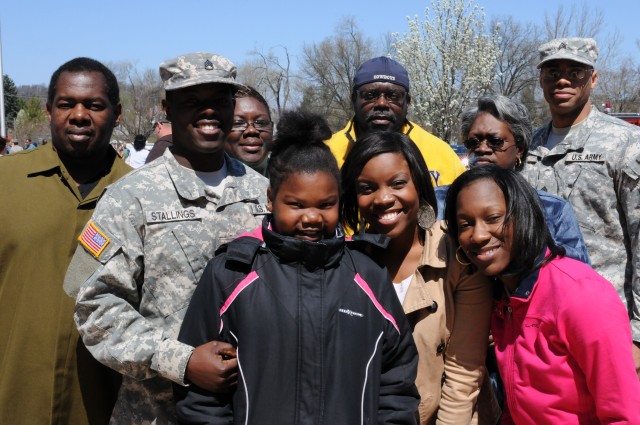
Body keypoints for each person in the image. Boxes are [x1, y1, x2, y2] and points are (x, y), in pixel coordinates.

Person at [174, 111, 419, 424]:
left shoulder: (368, 275)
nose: (312, 217)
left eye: (325, 204)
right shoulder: (231, 274)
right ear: (271, 198)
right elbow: (200, 393)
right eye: (297, 204)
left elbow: (397, 378)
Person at [66, 52, 270, 424]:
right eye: (192, 102)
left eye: (219, 102)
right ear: (167, 108)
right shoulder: (131, 197)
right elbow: (94, 306)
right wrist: (183, 361)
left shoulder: (266, 195)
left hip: (251, 406)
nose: (208, 112)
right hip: (156, 412)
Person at [444, 165, 640, 424]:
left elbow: (624, 414)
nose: (478, 235)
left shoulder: (581, 295)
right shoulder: (502, 294)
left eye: (493, 218)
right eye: (465, 224)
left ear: (524, 215)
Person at [0, 57, 131, 425]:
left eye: (94, 105)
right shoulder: (4, 180)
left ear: (117, 113)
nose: (78, 115)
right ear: (48, 110)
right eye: (66, 104)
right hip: (12, 397)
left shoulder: (141, 195)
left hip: (103, 405)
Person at [341, 131, 495, 424]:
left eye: (398, 183)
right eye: (367, 188)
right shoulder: (345, 263)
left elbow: (463, 373)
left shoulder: (457, 250)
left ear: (419, 185)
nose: (384, 198)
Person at [520, 37, 640, 373]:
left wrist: (638, 334)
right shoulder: (528, 146)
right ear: (541, 79)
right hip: (539, 325)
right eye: (552, 71)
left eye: (575, 71)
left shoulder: (626, 144)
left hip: (608, 321)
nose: (563, 79)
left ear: (594, 78)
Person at [435, 95, 590, 264]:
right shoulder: (440, 202)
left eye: (495, 141)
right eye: (474, 141)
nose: (482, 148)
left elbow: (576, 276)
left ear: (520, 148)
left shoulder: (553, 210)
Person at [326, 56, 466, 187]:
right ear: (353, 100)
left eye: (393, 96)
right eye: (370, 95)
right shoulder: (326, 154)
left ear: (407, 102)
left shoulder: (442, 154)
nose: (381, 103)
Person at [224, 86, 273, 176]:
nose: (251, 130)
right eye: (238, 123)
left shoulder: (292, 177)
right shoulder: (207, 181)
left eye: (261, 123)